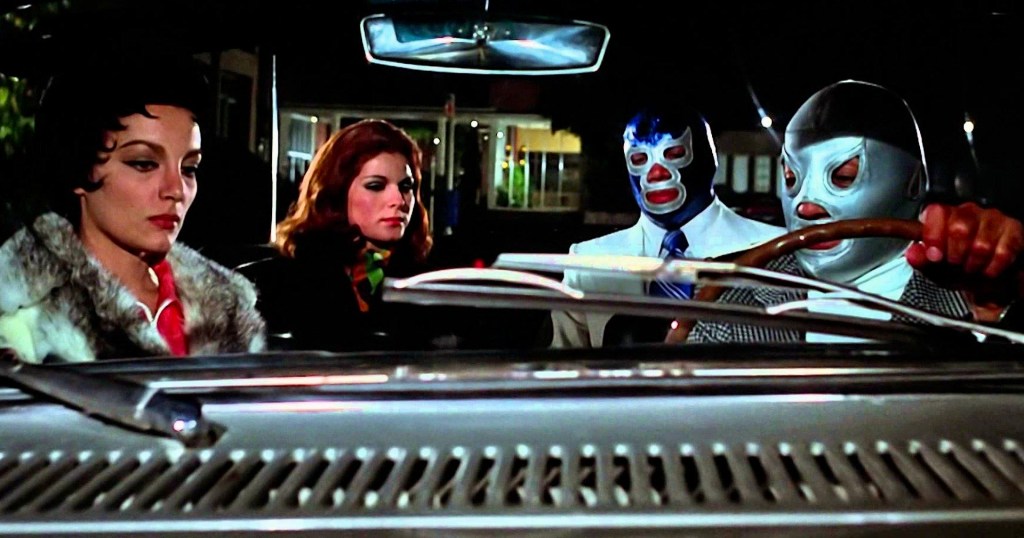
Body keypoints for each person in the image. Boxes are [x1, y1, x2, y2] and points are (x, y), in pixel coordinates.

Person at [688, 79, 1024, 343]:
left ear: (913, 184)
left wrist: (991, 309)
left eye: (844, 176)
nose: (805, 206)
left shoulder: (969, 292)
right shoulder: (733, 299)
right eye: (791, 178)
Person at [0, 55, 267, 363]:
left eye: (189, 168)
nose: (176, 189)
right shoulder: (23, 323)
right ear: (79, 169)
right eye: (143, 163)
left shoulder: (230, 310)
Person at [550, 105, 785, 348]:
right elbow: (561, 364)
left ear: (707, 158)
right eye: (640, 159)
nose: (656, 173)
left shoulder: (777, 250)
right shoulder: (589, 261)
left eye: (673, 153)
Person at [252, 118, 434, 351]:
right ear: (337, 192)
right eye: (376, 186)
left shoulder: (432, 282)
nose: (398, 200)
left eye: (406, 187)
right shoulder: (281, 281)